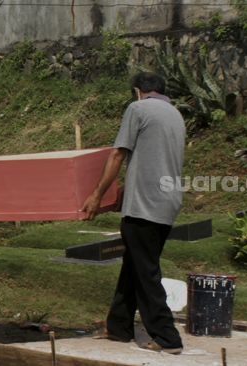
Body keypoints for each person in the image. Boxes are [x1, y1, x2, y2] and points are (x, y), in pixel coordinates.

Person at [81, 72, 185, 354]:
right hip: (166, 201)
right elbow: (153, 161)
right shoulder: (175, 114)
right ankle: (119, 327)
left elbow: (118, 154)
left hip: (146, 205)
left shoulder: (137, 108)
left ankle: (167, 337)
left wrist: (97, 194)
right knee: (135, 265)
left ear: (138, 91)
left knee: (145, 272)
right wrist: (125, 191)